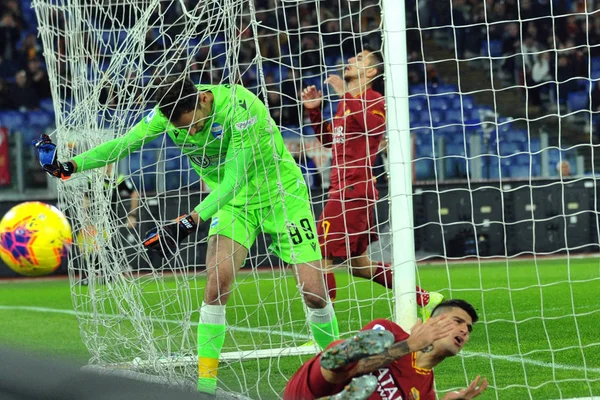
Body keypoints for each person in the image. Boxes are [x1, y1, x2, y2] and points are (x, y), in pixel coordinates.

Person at [34, 77, 339, 395]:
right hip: (234, 205)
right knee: (217, 283)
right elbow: (123, 144)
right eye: (183, 130)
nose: (191, 134)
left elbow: (235, 178)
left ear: (204, 101)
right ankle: (205, 386)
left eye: (193, 127)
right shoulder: (167, 117)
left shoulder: (241, 108)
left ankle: (336, 370)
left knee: (314, 292)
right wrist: (70, 166)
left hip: (281, 195)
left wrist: (189, 221)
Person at [301, 46, 442, 318]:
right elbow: (331, 140)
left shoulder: (374, 99)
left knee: (319, 256)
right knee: (360, 266)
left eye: (359, 59)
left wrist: (345, 93)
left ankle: (322, 331)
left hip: (352, 190)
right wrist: (315, 112)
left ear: (372, 71)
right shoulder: (346, 102)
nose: (351, 60)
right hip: (346, 189)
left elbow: (374, 128)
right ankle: (427, 299)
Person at [284, 299, 488, 400]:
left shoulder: (426, 391)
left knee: (366, 383)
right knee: (345, 357)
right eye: (458, 321)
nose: (464, 330)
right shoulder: (388, 331)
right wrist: (409, 345)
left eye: (468, 329)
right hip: (309, 389)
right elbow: (360, 366)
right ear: (433, 321)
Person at [77, 163, 139, 285]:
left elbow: (134, 193)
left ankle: (109, 274)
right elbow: (86, 198)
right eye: (105, 165)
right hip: (94, 220)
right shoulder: (92, 179)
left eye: (109, 165)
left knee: (109, 247)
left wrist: (132, 215)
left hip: (111, 219)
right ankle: (92, 275)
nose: (107, 167)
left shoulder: (117, 180)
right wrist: (85, 215)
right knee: (88, 247)